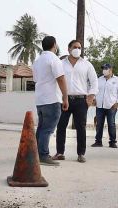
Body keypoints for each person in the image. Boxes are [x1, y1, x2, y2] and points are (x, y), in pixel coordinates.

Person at [53, 40, 98, 163]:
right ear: (69, 49)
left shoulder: (87, 64)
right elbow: (56, 81)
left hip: (81, 101)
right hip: (64, 100)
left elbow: (94, 82)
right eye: (75, 47)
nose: (77, 49)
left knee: (81, 127)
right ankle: (60, 152)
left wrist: (90, 97)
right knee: (61, 126)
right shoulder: (61, 63)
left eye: (79, 47)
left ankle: (81, 154)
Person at [32, 36, 69, 166]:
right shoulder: (54, 59)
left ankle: (36, 153)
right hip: (52, 99)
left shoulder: (37, 61)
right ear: (54, 45)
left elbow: (36, 79)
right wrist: (65, 97)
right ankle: (43, 155)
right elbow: (60, 79)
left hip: (40, 99)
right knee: (47, 129)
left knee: (41, 128)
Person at [91, 64, 118, 148]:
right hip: (100, 106)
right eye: (103, 68)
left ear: (111, 69)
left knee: (111, 124)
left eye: (106, 68)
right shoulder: (99, 79)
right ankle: (98, 141)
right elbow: (94, 90)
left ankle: (112, 142)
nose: (104, 70)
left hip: (111, 106)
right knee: (99, 124)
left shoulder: (117, 80)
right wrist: (94, 99)